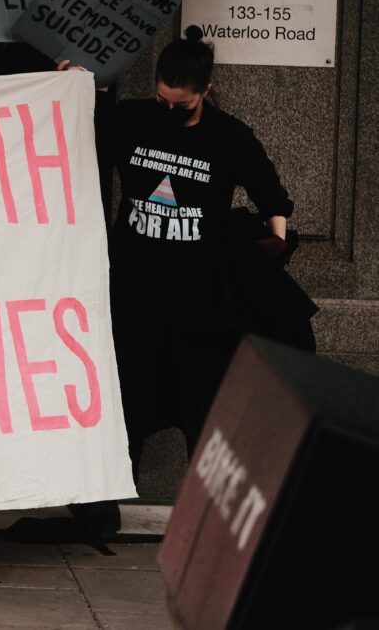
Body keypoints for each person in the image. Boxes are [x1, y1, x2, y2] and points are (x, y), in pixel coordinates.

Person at [104, 26, 292, 466]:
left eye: (181, 105)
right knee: (126, 395)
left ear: (206, 90)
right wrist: (65, 83)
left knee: (200, 405)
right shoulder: (131, 118)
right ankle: (104, 503)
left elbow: (271, 193)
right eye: (161, 100)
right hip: (134, 288)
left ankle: (202, 512)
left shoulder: (229, 137)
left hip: (198, 296)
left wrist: (277, 242)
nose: (168, 110)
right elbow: (71, 134)